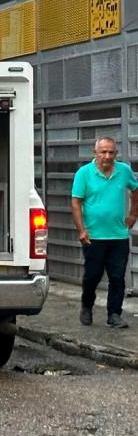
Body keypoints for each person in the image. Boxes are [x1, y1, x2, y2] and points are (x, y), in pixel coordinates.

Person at [71, 137, 138, 329]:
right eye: (103, 152)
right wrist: (81, 230)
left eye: (111, 152)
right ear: (95, 153)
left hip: (118, 236)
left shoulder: (123, 171)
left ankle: (114, 314)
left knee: (117, 278)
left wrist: (133, 214)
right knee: (92, 276)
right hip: (93, 237)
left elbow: (136, 190)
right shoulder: (84, 173)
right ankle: (87, 306)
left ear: (115, 154)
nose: (107, 156)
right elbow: (76, 202)